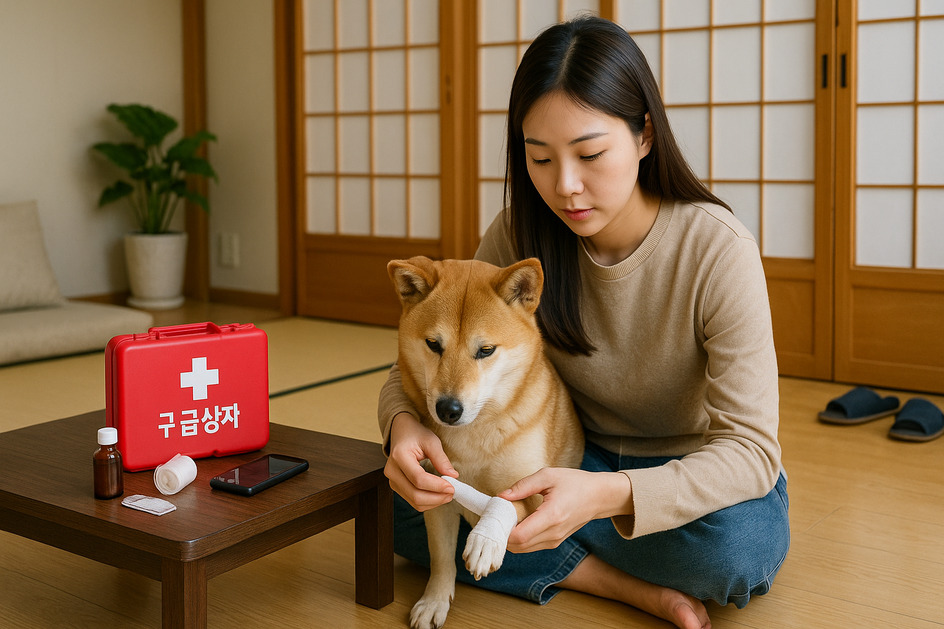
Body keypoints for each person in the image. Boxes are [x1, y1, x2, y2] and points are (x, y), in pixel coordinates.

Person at [378, 15, 789, 629]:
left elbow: (752, 451)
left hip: (687, 474)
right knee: (396, 504)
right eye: (539, 158)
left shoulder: (717, 251)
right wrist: (402, 427)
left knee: (735, 553)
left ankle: (552, 547)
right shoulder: (520, 232)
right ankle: (622, 585)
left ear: (645, 135)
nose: (565, 186)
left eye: (590, 153)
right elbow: (433, 362)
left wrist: (608, 496)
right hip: (567, 458)